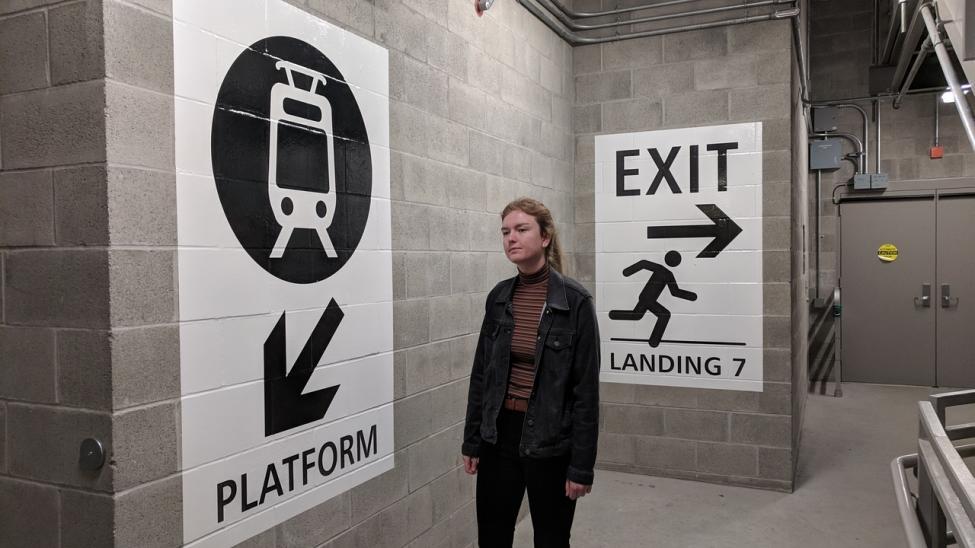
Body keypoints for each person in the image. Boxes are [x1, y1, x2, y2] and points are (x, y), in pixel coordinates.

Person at [462, 197, 601, 548]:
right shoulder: (498, 298)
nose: (511, 238)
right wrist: (473, 439)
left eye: (522, 229)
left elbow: (586, 392)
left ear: (545, 237)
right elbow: (482, 375)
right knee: (492, 537)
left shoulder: (575, 302)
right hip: (499, 436)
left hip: (552, 441)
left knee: (551, 539)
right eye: (506, 231)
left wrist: (581, 466)